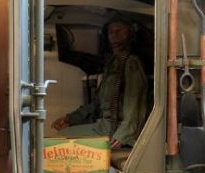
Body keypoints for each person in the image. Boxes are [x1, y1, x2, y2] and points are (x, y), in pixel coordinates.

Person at [52, 21, 148, 149]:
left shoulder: (130, 63)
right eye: (111, 31)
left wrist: (122, 135)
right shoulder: (113, 64)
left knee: (61, 139)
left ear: (130, 33)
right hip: (104, 125)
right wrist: (70, 119)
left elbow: (134, 104)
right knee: (62, 135)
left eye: (120, 30)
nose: (115, 34)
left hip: (116, 129)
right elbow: (96, 104)